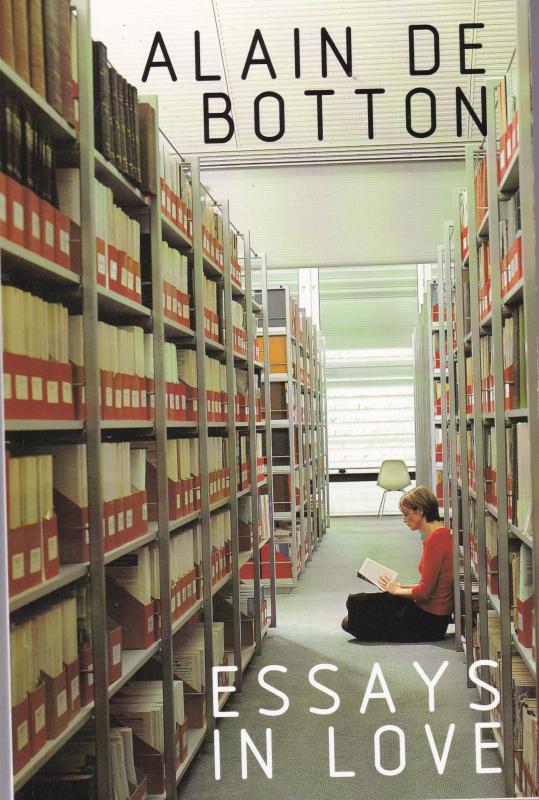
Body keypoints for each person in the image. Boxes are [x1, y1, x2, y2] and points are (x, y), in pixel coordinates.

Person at [341, 486, 454, 643]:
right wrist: (400, 588)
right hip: (431, 614)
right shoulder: (443, 534)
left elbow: (423, 592)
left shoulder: (435, 541)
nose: (404, 520)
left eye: (406, 514)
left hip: (428, 621)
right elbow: (431, 586)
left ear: (420, 511)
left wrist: (396, 591)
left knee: (354, 611)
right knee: (356, 603)